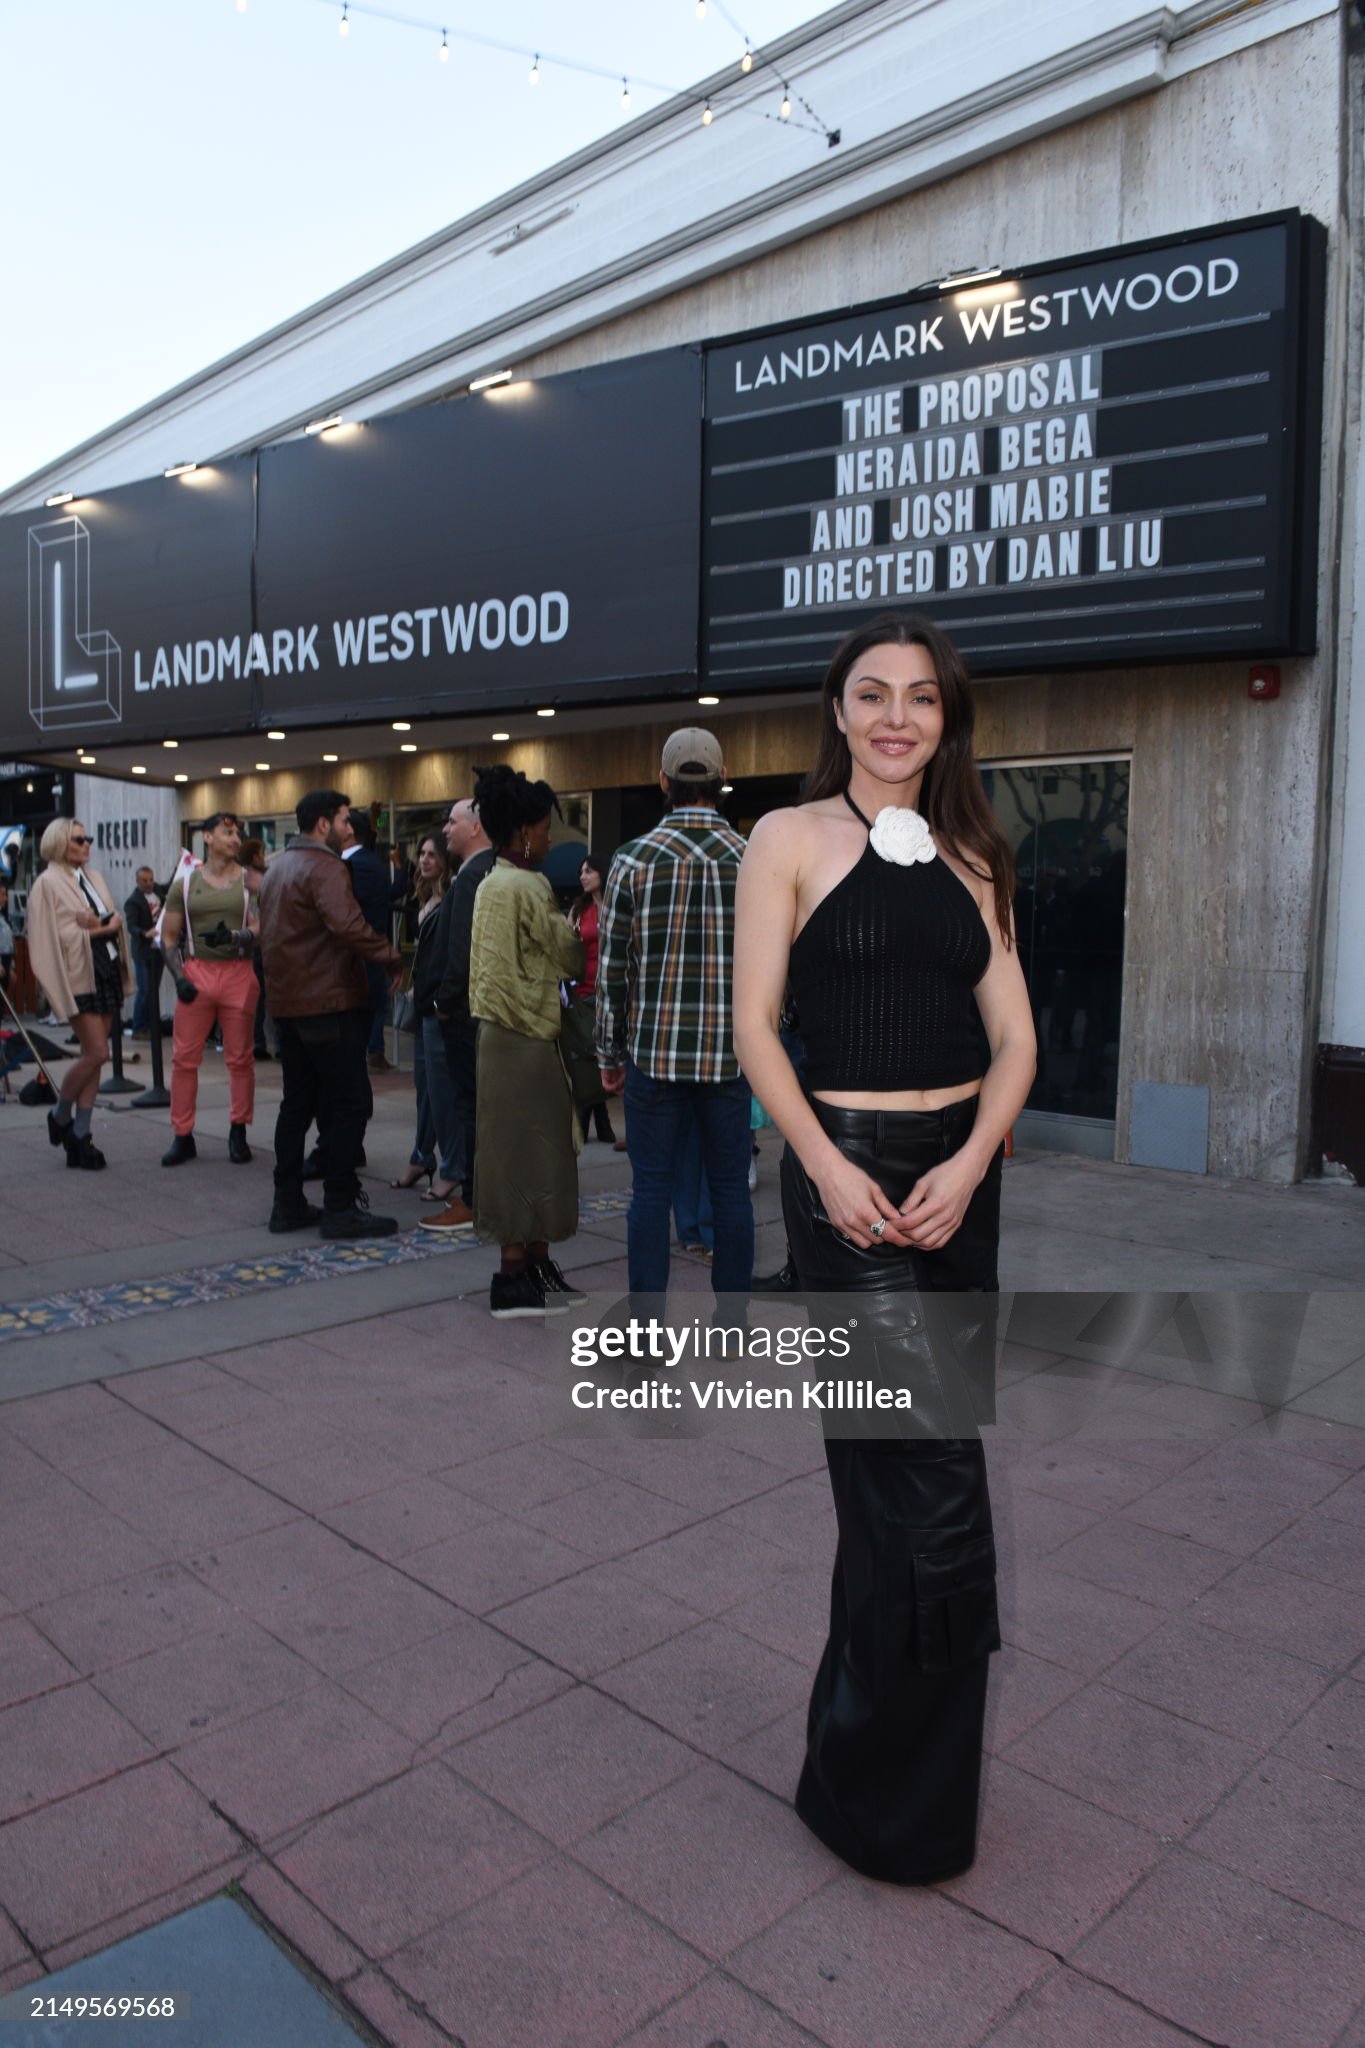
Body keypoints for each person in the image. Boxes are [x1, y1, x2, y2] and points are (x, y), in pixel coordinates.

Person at [732, 611, 1036, 1886]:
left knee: (883, 1501)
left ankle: (855, 1777)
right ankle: (902, 1811)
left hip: (959, 1189)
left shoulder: (976, 853)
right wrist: (828, 1165)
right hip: (844, 1182)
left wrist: (969, 1164)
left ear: (947, 716)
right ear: (838, 710)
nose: (897, 714)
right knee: (938, 1492)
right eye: (872, 693)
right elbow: (756, 1028)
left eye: (920, 695)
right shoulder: (786, 839)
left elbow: (1016, 1043)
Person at [596, 728, 753, 1304]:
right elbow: (777, 963)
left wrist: (609, 1055)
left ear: (663, 782)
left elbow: (614, 971)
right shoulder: (751, 857)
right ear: (721, 779)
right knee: (732, 1191)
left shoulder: (631, 859)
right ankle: (732, 1327)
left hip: (654, 1057)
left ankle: (645, 1329)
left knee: (650, 1194)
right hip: (730, 1057)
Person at [466, 765, 586, 1316]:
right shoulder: (530, 885)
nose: (548, 836)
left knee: (507, 1158)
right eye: (542, 827)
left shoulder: (490, 881)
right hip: (531, 1039)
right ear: (521, 831)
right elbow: (568, 955)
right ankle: (523, 1276)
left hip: (497, 1038)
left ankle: (524, 1270)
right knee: (542, 1158)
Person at [256, 790, 403, 1237]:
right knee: (350, 1102)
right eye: (343, 820)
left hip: (288, 1005)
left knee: (297, 1104)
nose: (348, 827)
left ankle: (288, 1205)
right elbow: (347, 924)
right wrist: (390, 956)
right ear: (323, 824)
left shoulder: (277, 867)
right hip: (327, 1003)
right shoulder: (325, 866)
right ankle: (339, 1206)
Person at [24, 817, 134, 1170]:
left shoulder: (93, 877)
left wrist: (103, 925)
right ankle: (60, 1114)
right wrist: (99, 928)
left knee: (95, 1055)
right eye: (78, 839)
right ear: (59, 843)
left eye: (87, 838)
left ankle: (81, 1134)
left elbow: (110, 918)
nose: (86, 844)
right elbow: (47, 938)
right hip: (77, 974)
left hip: (104, 969)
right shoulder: (47, 883)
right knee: (98, 1052)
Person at [159, 813, 258, 1168]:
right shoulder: (184, 883)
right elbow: (168, 937)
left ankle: (238, 1132)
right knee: (184, 1059)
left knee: (241, 1058)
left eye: (238, 833)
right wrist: (179, 978)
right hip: (197, 972)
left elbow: (261, 927)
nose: (235, 838)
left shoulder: (249, 882)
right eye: (227, 832)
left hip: (238, 973)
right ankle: (182, 1135)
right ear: (206, 837)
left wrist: (237, 936)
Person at [418, 796, 495, 1234]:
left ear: (476, 828)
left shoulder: (474, 878)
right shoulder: (473, 873)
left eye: (453, 821)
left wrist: (445, 1005)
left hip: (464, 1016)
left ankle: (471, 1199)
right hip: (466, 1011)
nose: (445, 829)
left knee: (468, 1108)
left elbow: (461, 952)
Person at [394, 831, 460, 1193]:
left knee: (441, 1089)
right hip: (422, 1004)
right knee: (424, 1087)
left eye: (432, 854)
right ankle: (421, 1156)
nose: (424, 860)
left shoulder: (452, 901)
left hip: (441, 1007)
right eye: (421, 854)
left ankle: (447, 1163)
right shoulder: (424, 902)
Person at [336, 805, 396, 1072]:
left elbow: (349, 917)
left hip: (359, 968)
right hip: (357, 969)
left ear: (349, 833)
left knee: (349, 1058)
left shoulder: (360, 866)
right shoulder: (356, 862)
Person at [567, 853, 619, 1146]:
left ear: (601, 873)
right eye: (580, 872)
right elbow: (565, 945)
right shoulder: (578, 909)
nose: (582, 876)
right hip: (584, 990)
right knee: (589, 1054)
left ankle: (593, 1118)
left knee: (602, 1055)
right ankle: (598, 1120)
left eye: (588, 871)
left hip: (611, 991)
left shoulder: (615, 905)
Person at [239, 838, 273, 1059]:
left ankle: (259, 1041)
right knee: (263, 998)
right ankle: (260, 1042)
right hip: (260, 944)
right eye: (262, 852)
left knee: (262, 999)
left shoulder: (252, 876)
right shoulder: (251, 879)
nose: (264, 856)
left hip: (259, 945)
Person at [122, 866, 162, 1037]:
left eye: (151, 879)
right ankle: (138, 1027)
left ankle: (151, 1026)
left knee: (153, 990)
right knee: (145, 990)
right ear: (137, 881)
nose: (149, 883)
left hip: (158, 949)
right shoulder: (133, 901)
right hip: (143, 951)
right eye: (145, 880)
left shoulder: (158, 891)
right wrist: (145, 933)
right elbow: (131, 926)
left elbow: (171, 884)